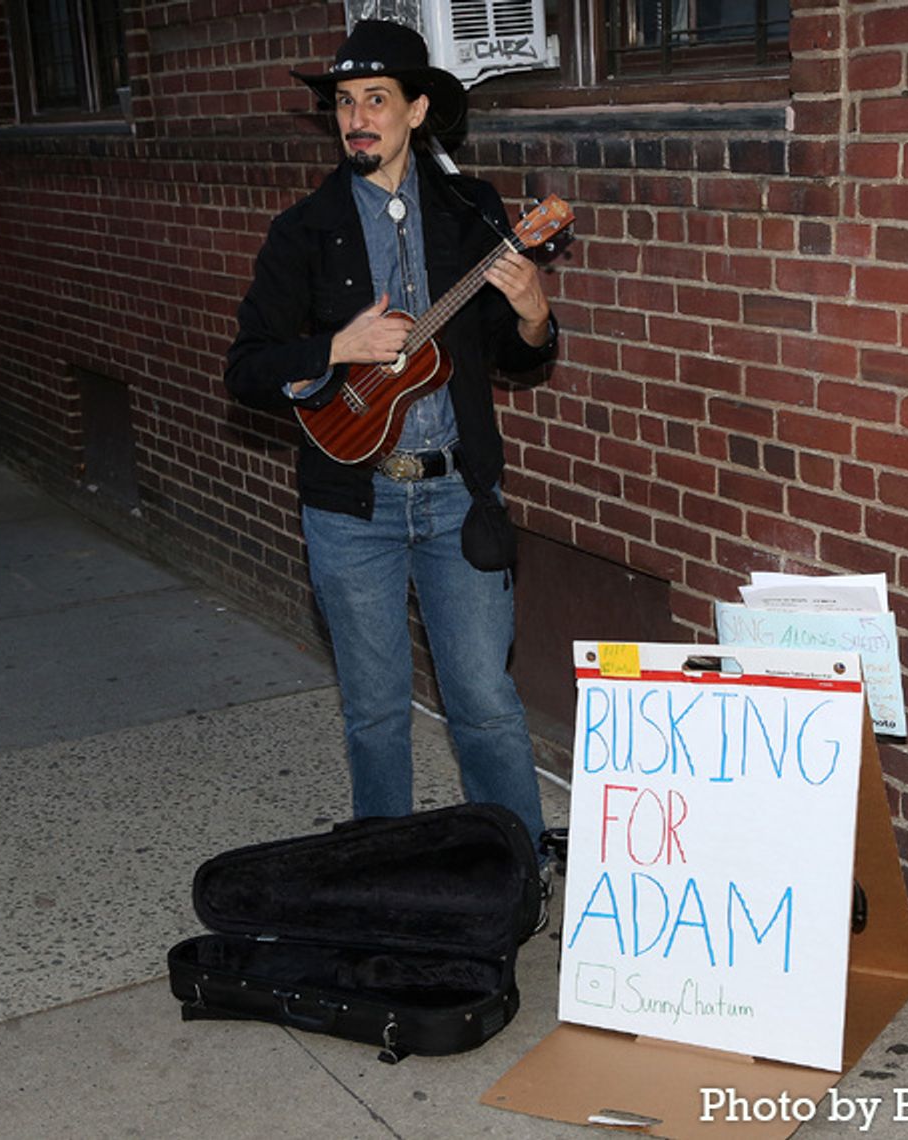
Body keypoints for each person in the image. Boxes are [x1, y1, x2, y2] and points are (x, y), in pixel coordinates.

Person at [224, 22, 558, 888]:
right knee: (375, 712)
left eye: (376, 99)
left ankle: (518, 871)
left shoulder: (473, 213)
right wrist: (336, 347)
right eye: (344, 102)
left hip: (457, 500)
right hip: (351, 504)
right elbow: (247, 368)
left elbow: (516, 354)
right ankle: (383, 882)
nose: (356, 118)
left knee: (484, 702)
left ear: (417, 110)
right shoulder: (305, 230)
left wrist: (533, 314)